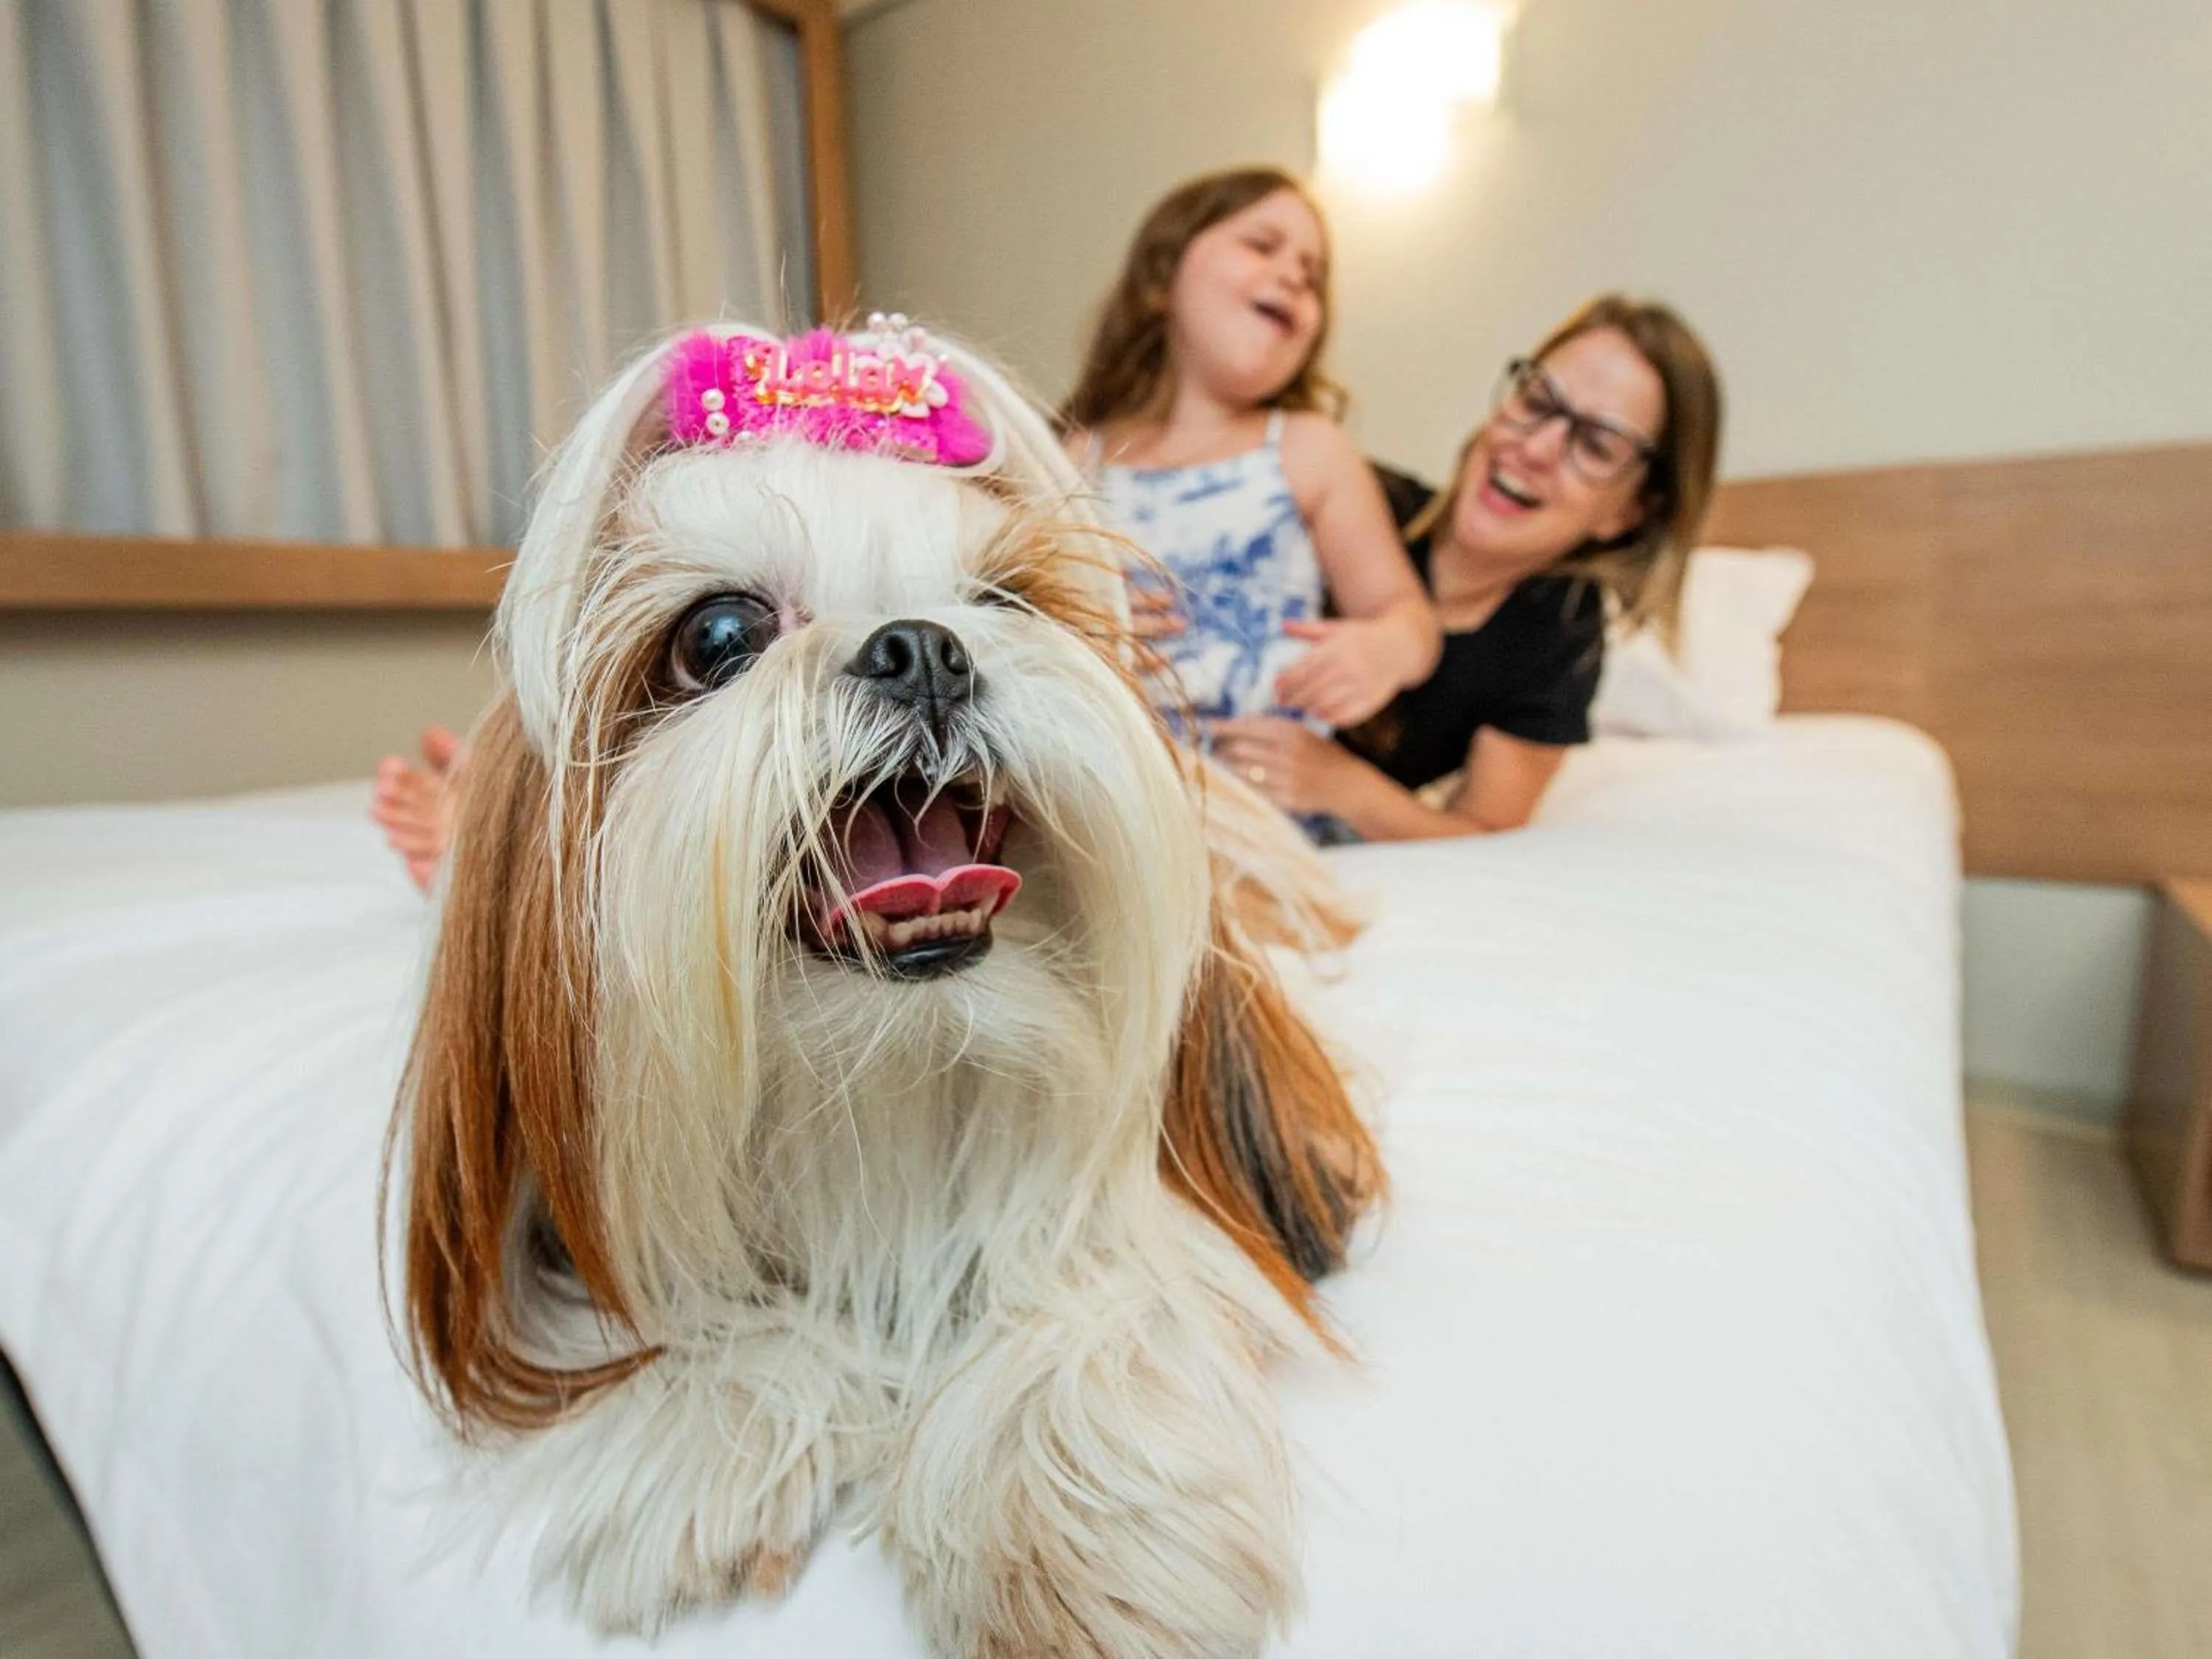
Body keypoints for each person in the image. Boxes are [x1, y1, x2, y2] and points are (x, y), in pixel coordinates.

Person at [1210, 293, 1722, 840]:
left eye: (1595, 446)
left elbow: (1481, 829)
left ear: (1629, 512)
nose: (1537, 448)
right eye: (1537, 399)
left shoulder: (1560, 632)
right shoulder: (1354, 500)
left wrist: (1343, 787)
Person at [1060, 165, 1440, 746]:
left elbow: (1408, 617)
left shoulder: (1308, 448)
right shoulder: (1079, 457)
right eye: (1263, 246)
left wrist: (1384, 649)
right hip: (1122, 785)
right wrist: (1079, 621)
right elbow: (1017, 617)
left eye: (1312, 278)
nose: (1292, 275)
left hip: (1271, 793)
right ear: (1162, 278)